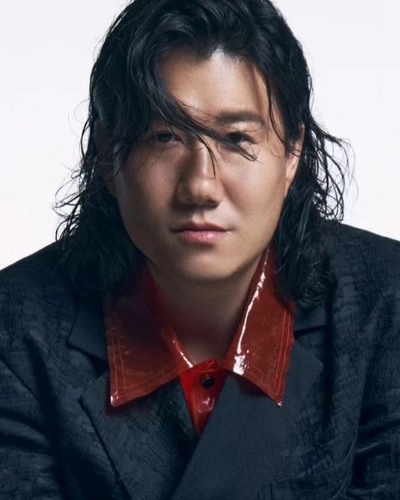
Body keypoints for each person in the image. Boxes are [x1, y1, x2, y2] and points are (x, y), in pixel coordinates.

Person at [0, 0, 399, 498]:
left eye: (236, 139)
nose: (201, 187)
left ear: (292, 152)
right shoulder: (16, 332)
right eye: (165, 137)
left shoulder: (387, 304)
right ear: (108, 154)